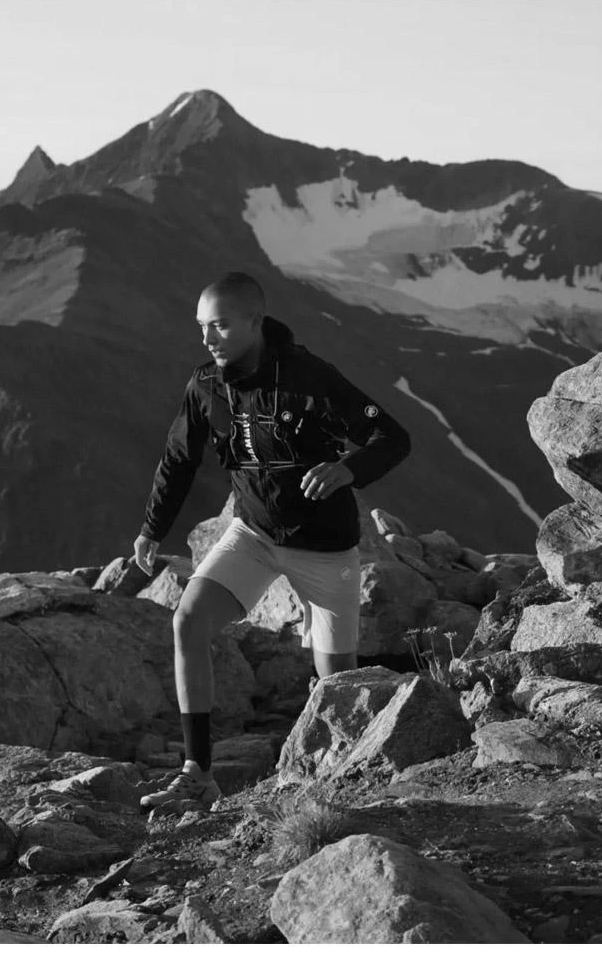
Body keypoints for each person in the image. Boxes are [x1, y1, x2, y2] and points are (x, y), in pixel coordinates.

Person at [134, 271, 411, 808]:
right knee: (188, 621)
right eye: (201, 327)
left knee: (337, 685)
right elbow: (178, 459)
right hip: (253, 535)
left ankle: (345, 790)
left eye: (219, 326)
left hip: (326, 550)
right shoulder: (205, 385)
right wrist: (151, 529)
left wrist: (349, 469)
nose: (207, 339)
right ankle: (198, 776)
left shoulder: (311, 377)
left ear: (254, 322)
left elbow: (392, 437)